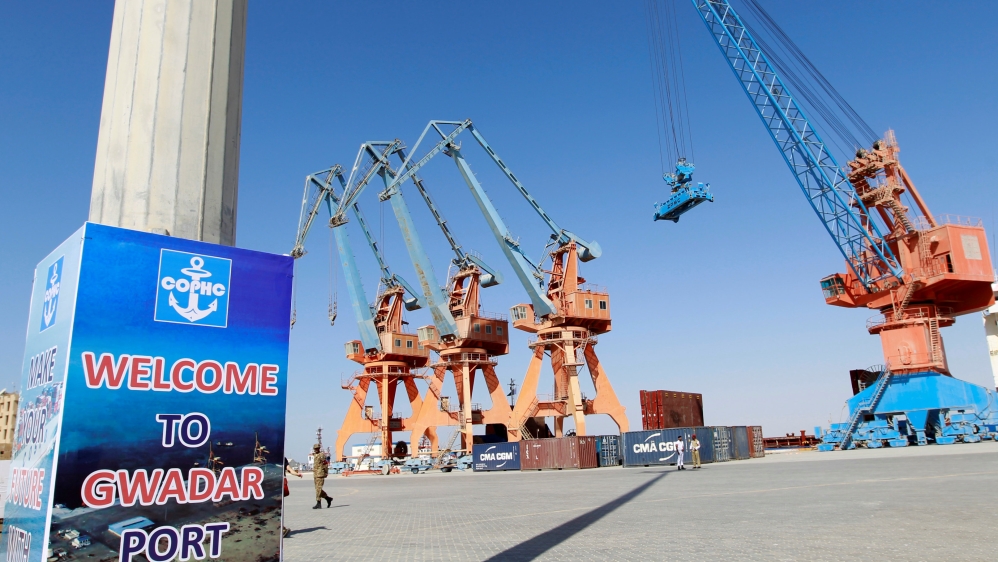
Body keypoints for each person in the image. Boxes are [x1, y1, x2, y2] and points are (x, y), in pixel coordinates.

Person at [283, 458, 302, 538]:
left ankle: (281, 529)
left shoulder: (281, 458)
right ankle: (281, 529)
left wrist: (297, 474)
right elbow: (289, 469)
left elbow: (289, 469)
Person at [312, 444, 333, 509]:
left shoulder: (322, 455)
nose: (316, 449)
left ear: (319, 448)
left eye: (317, 448)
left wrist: (326, 472)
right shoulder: (315, 455)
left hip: (320, 474)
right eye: (315, 448)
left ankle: (318, 503)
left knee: (318, 489)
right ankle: (328, 498)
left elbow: (325, 464)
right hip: (315, 474)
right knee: (318, 489)